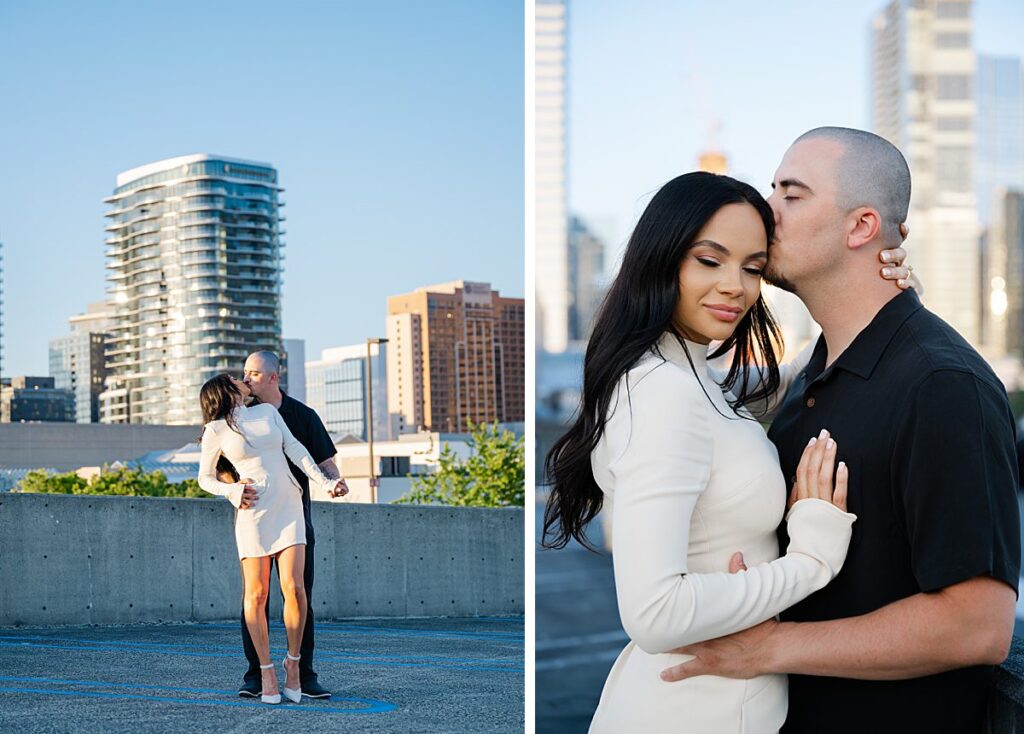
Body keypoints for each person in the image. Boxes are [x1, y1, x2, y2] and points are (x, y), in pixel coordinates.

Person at [659, 128, 1021, 734]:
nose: (763, 211)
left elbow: (977, 625)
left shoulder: (942, 385)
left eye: (791, 195)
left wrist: (772, 648)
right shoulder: (814, 374)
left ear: (860, 227)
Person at [542, 171, 914, 733]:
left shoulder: (698, 383)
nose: (735, 287)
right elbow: (655, 614)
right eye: (709, 261)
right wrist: (810, 562)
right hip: (686, 711)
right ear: (661, 260)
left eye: (752, 267)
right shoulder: (663, 390)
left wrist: (893, 302)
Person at [197, 373, 346, 705]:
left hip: (289, 505)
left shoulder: (267, 412)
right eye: (236, 378)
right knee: (257, 594)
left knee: (294, 588)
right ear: (225, 390)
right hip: (254, 511)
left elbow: (296, 450)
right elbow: (205, 478)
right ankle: (265, 671)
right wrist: (232, 490)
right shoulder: (216, 430)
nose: (243, 379)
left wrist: (325, 483)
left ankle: (293, 665)